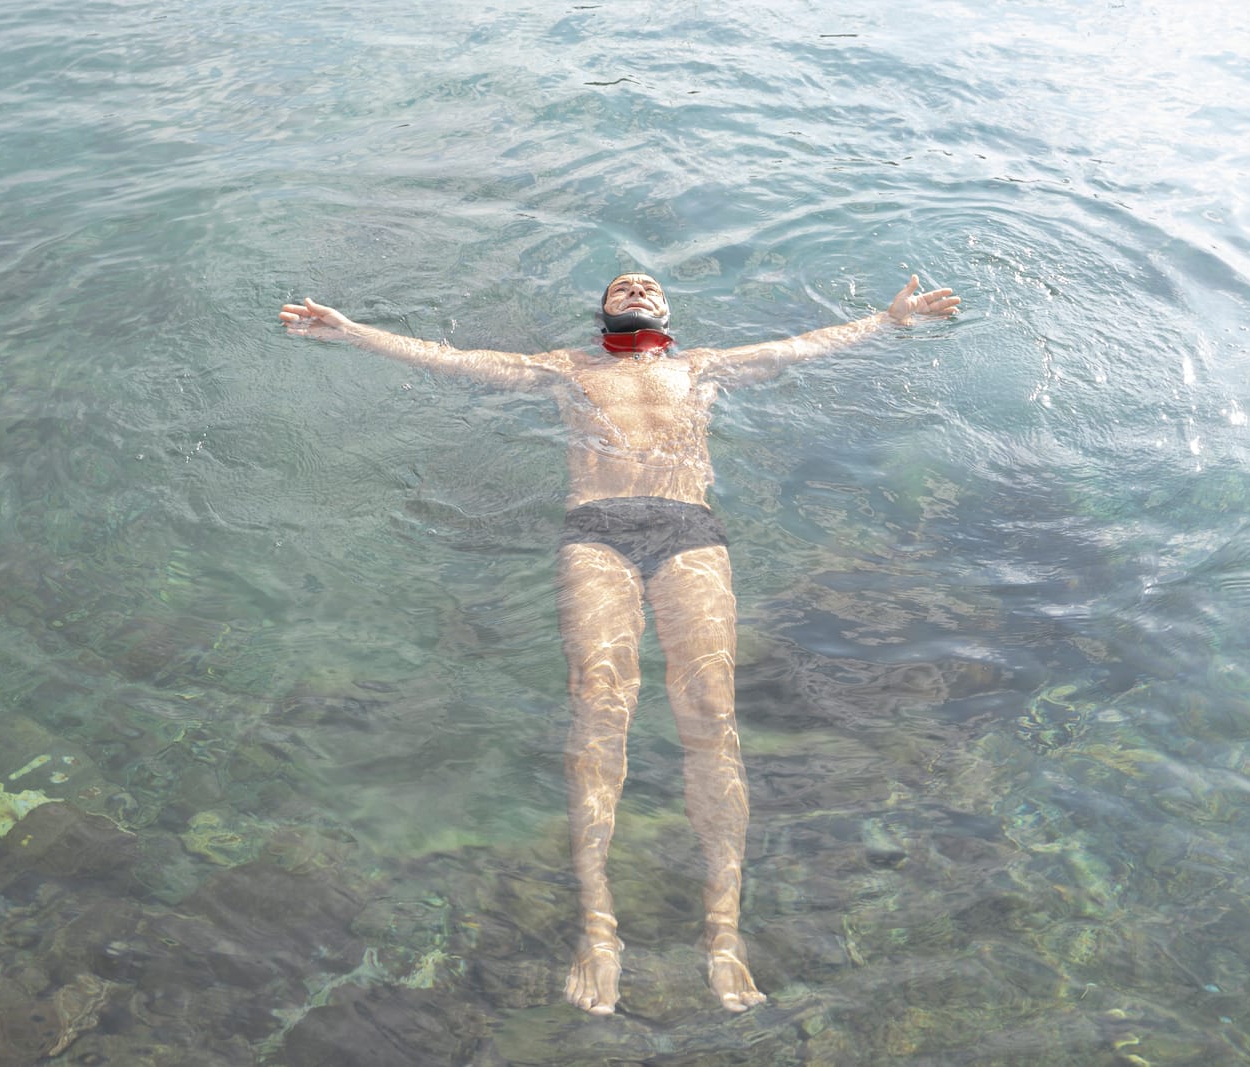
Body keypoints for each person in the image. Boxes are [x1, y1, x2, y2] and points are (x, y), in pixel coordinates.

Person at [278, 270, 960, 1015]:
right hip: (597, 530)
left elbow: (801, 348)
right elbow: (455, 358)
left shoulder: (702, 365)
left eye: (648, 284)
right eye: (622, 284)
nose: (636, 285)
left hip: (687, 528)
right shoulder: (565, 368)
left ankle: (723, 933)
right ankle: (597, 927)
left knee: (711, 715)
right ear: (604, 307)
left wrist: (888, 320)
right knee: (600, 708)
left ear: (664, 308)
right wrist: (351, 332)